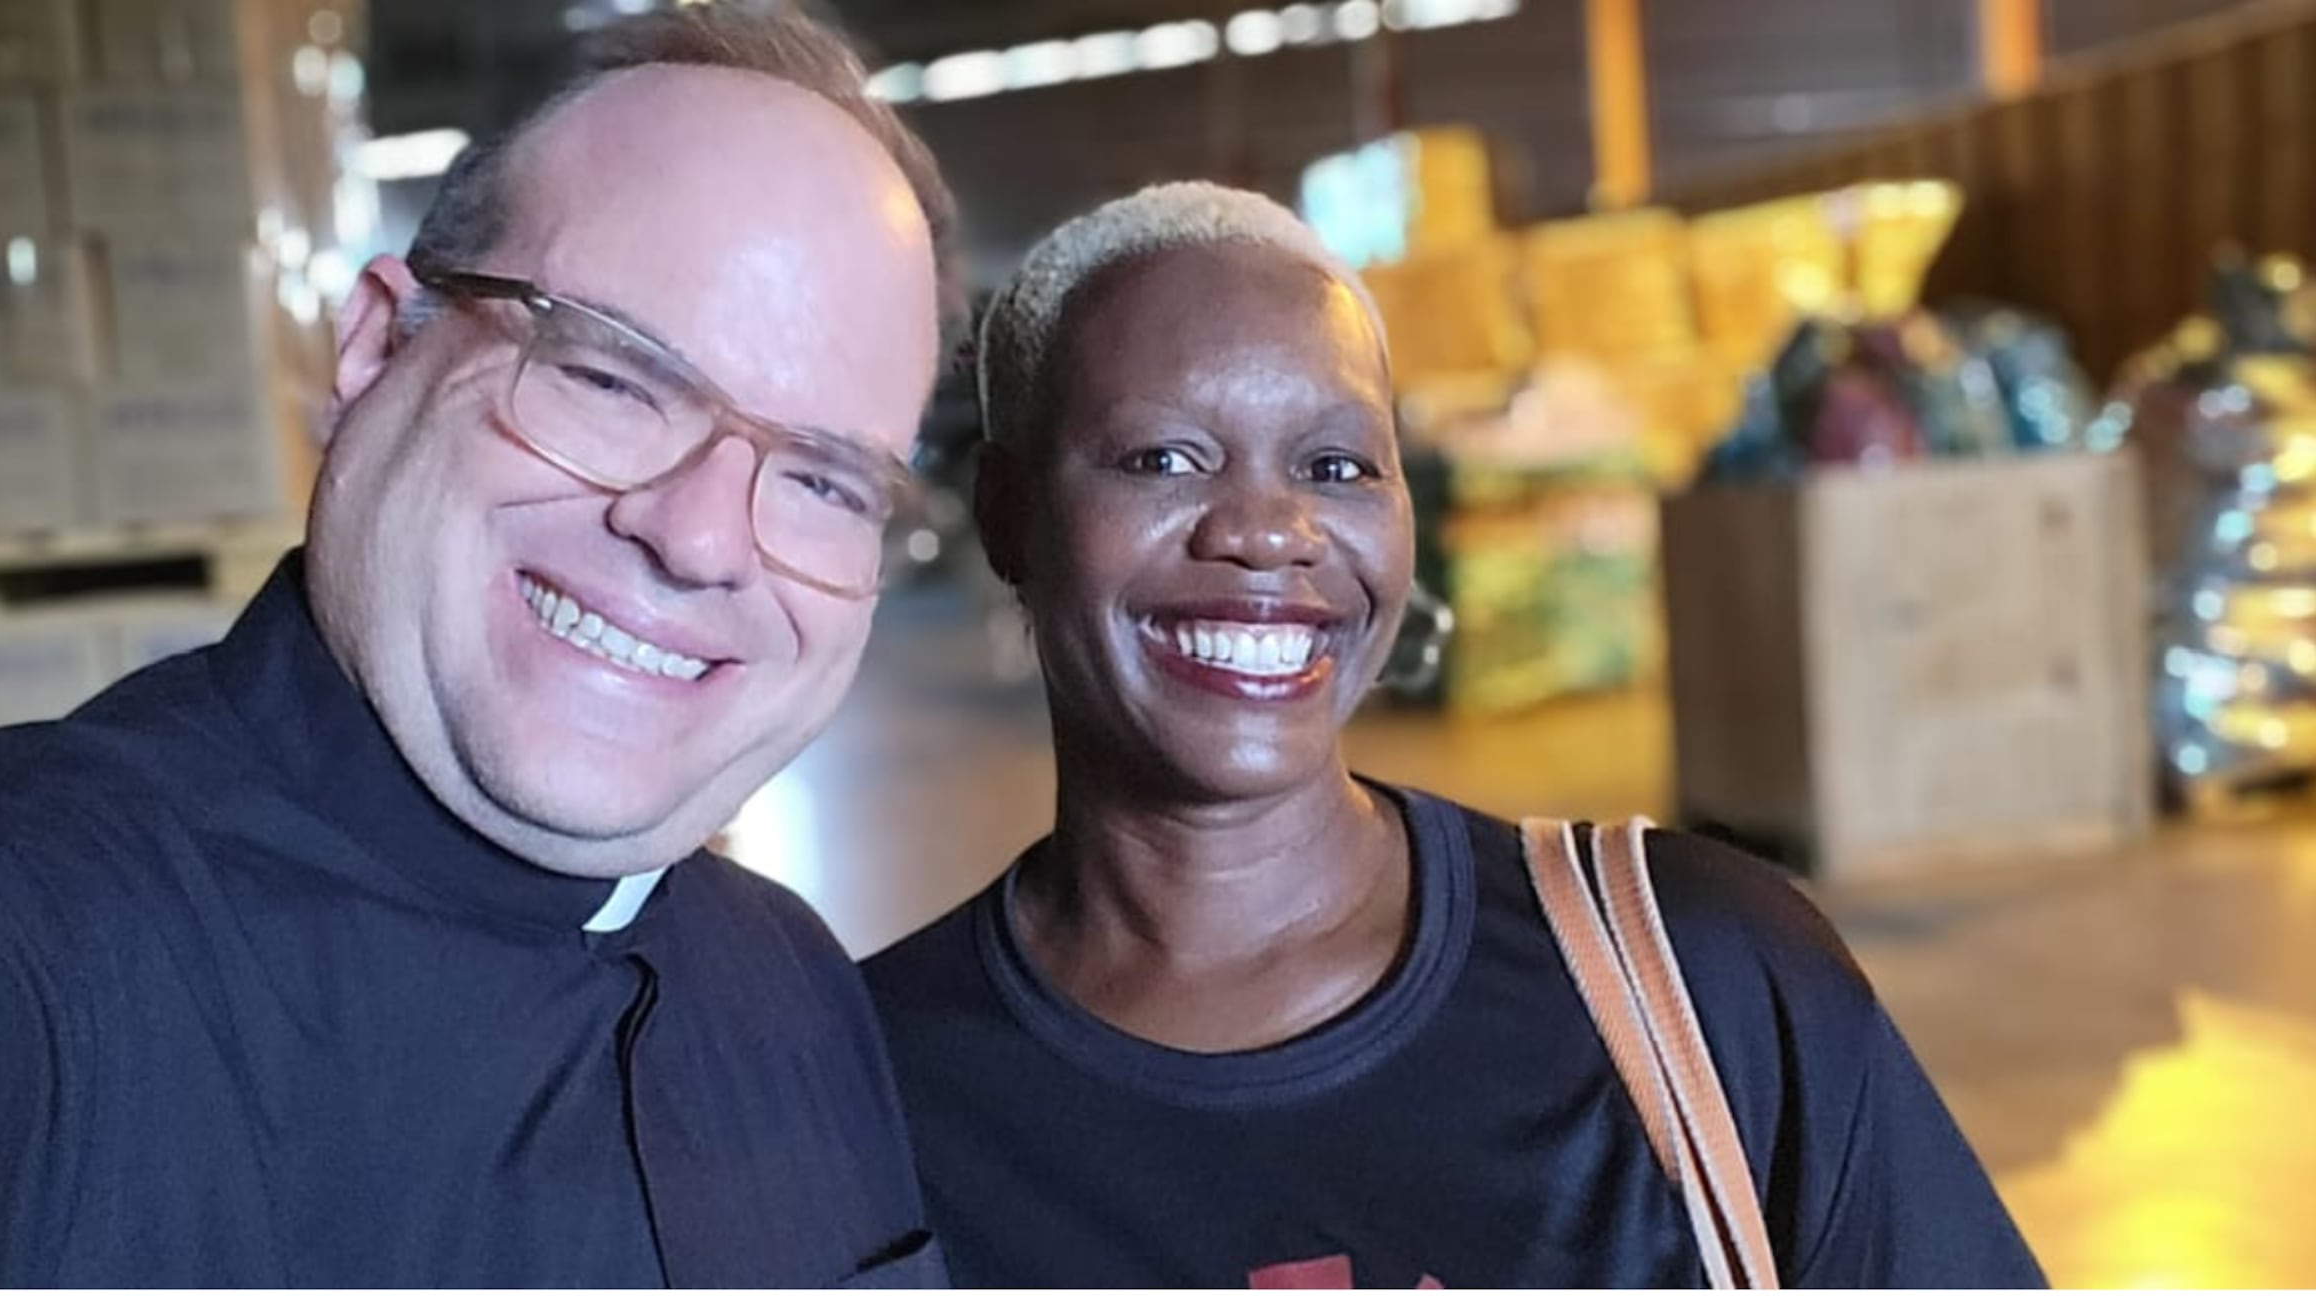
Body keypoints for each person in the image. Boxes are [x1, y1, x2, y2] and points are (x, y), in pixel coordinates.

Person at [0, 7, 961, 1286]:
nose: (702, 539)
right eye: (610, 379)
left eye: (825, 481)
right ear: (376, 345)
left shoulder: (795, 984)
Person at [863, 183, 2047, 1289]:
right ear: (1008, 517)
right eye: (1165, 458)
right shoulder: (860, 1088)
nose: (1271, 532)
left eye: (1336, 465)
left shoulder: (1696, 980)